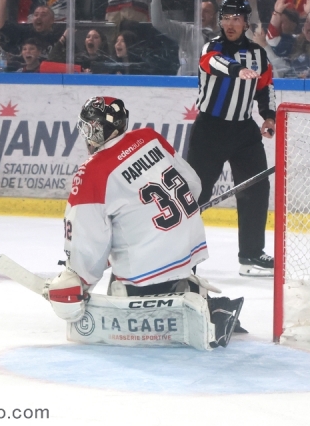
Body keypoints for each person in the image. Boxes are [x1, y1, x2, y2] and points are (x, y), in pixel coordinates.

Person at [47, 96, 245, 349]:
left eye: (92, 129)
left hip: (145, 270)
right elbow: (193, 185)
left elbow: (87, 239)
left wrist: (77, 281)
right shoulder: (150, 138)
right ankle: (191, 292)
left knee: (114, 291)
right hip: (188, 249)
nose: (89, 136)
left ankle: (184, 312)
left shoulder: (93, 172)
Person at [188, 0, 276, 277]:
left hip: (243, 131)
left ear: (246, 23)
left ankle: (250, 255)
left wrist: (269, 116)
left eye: (236, 19)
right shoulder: (212, 47)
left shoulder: (258, 55)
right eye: (226, 18)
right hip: (209, 130)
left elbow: (265, 88)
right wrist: (239, 70)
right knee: (194, 193)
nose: (230, 24)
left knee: (256, 190)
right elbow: (213, 63)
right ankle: (180, 255)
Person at [152, 0, 220, 76]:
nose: (201, 14)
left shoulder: (223, 36)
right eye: (199, 10)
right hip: (185, 82)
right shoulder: (185, 31)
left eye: (206, 11)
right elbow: (158, 22)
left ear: (214, 15)